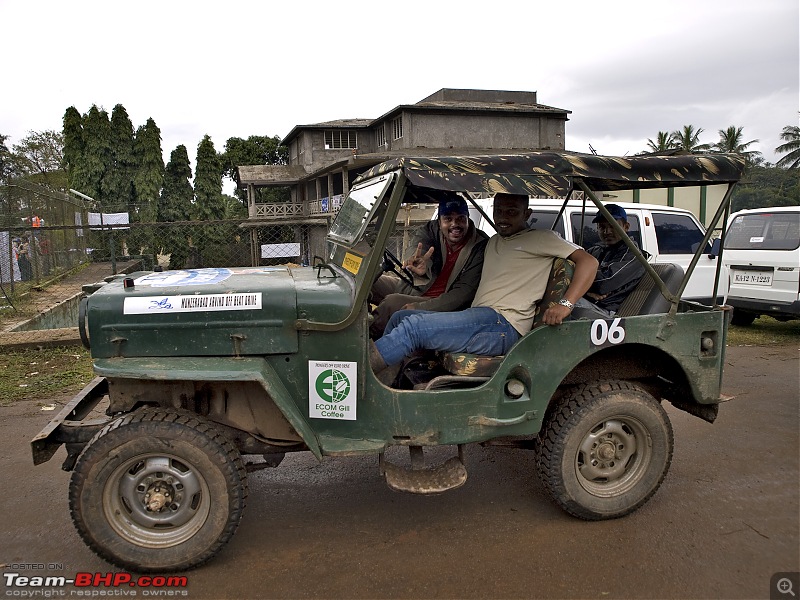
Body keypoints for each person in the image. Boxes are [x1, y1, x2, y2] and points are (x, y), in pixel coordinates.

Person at [370, 193, 599, 370]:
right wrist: (421, 268)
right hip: (480, 316)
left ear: (526, 214)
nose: (503, 218)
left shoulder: (542, 237)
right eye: (499, 211)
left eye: (512, 212)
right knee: (401, 316)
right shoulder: (491, 242)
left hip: (503, 324)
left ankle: (358, 382)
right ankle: (395, 380)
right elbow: (432, 235)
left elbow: (589, 262)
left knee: (412, 328)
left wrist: (566, 304)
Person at [369, 196, 488, 337]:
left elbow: (462, 295)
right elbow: (418, 246)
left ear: (468, 219)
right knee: (370, 282)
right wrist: (416, 260)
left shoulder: (479, 246)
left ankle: (366, 342)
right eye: (448, 219)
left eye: (461, 218)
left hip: (439, 300)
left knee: (391, 303)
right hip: (416, 285)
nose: (455, 224)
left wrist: (419, 307)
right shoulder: (430, 230)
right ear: (439, 222)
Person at [571, 204, 646, 320]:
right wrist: (588, 292)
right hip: (588, 299)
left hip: (604, 311)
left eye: (613, 226)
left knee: (562, 301)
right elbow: (571, 266)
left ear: (626, 227)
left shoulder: (632, 255)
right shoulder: (597, 250)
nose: (607, 232)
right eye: (602, 227)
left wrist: (581, 280)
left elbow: (604, 283)